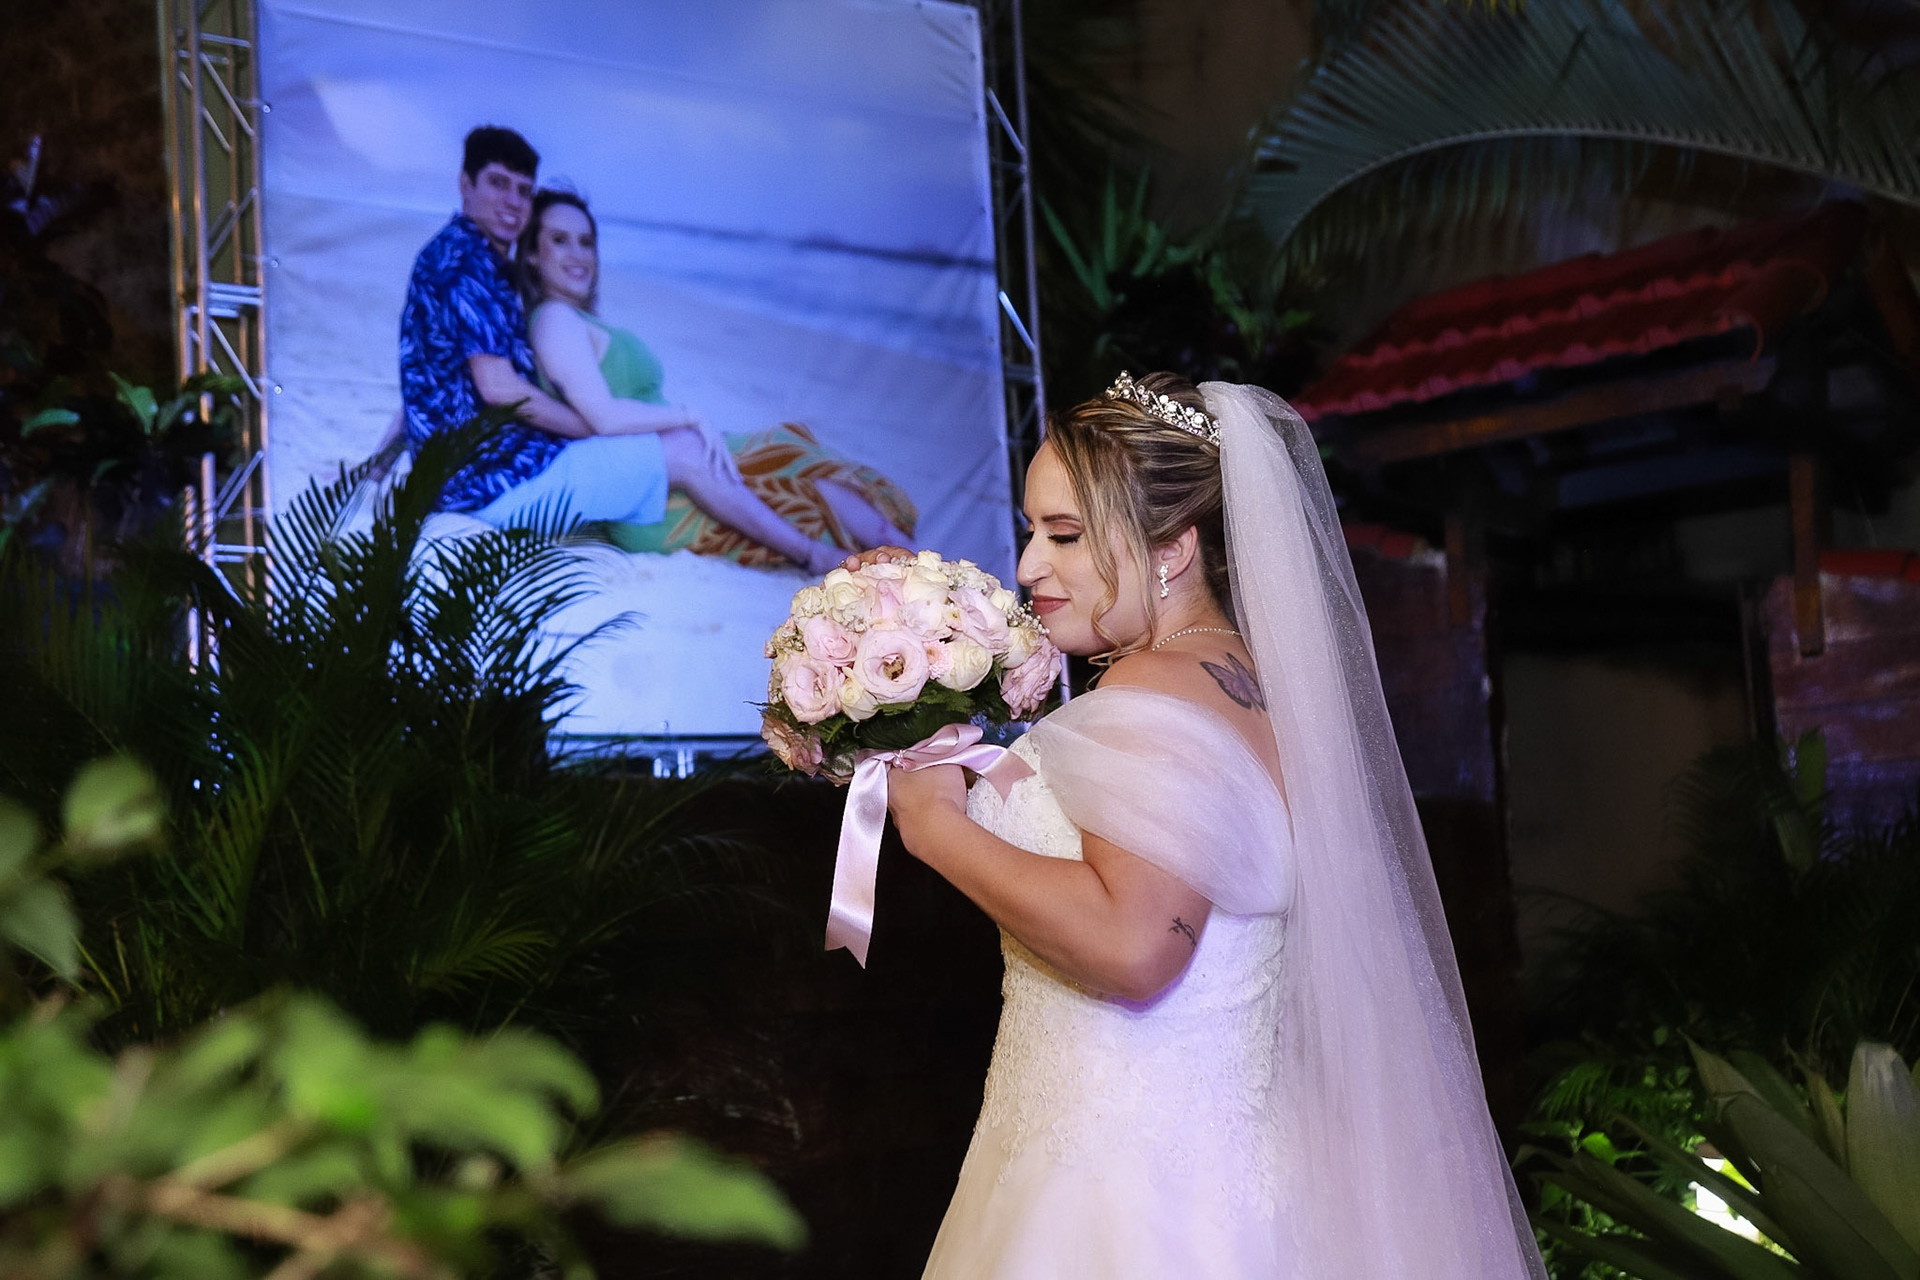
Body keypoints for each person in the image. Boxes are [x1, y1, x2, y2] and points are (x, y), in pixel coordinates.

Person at [872, 373, 1547, 1277]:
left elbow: (1137, 946)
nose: (1029, 566)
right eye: (1032, 531)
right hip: (1241, 1181)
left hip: (1118, 1200)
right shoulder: (1265, 685)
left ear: (1173, 549)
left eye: (1064, 534)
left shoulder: (1149, 688)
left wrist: (938, 829)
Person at [397, 131, 847, 573]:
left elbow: (427, 375)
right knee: (686, 450)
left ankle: (804, 531)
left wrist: (381, 462)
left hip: (479, 477)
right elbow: (497, 387)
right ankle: (812, 555)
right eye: (498, 184)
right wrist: (589, 426)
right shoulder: (469, 265)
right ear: (465, 184)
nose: (512, 202)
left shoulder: (455, 254)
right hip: (495, 488)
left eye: (523, 190)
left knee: (676, 449)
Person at [517, 189, 915, 568]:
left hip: (677, 462)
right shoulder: (555, 320)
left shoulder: (574, 318)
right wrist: (689, 415)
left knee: (796, 461)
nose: (578, 254)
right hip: (662, 486)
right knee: (791, 457)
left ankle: (904, 559)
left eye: (586, 242)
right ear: (532, 254)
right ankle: (890, 559)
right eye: (560, 240)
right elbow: (603, 417)